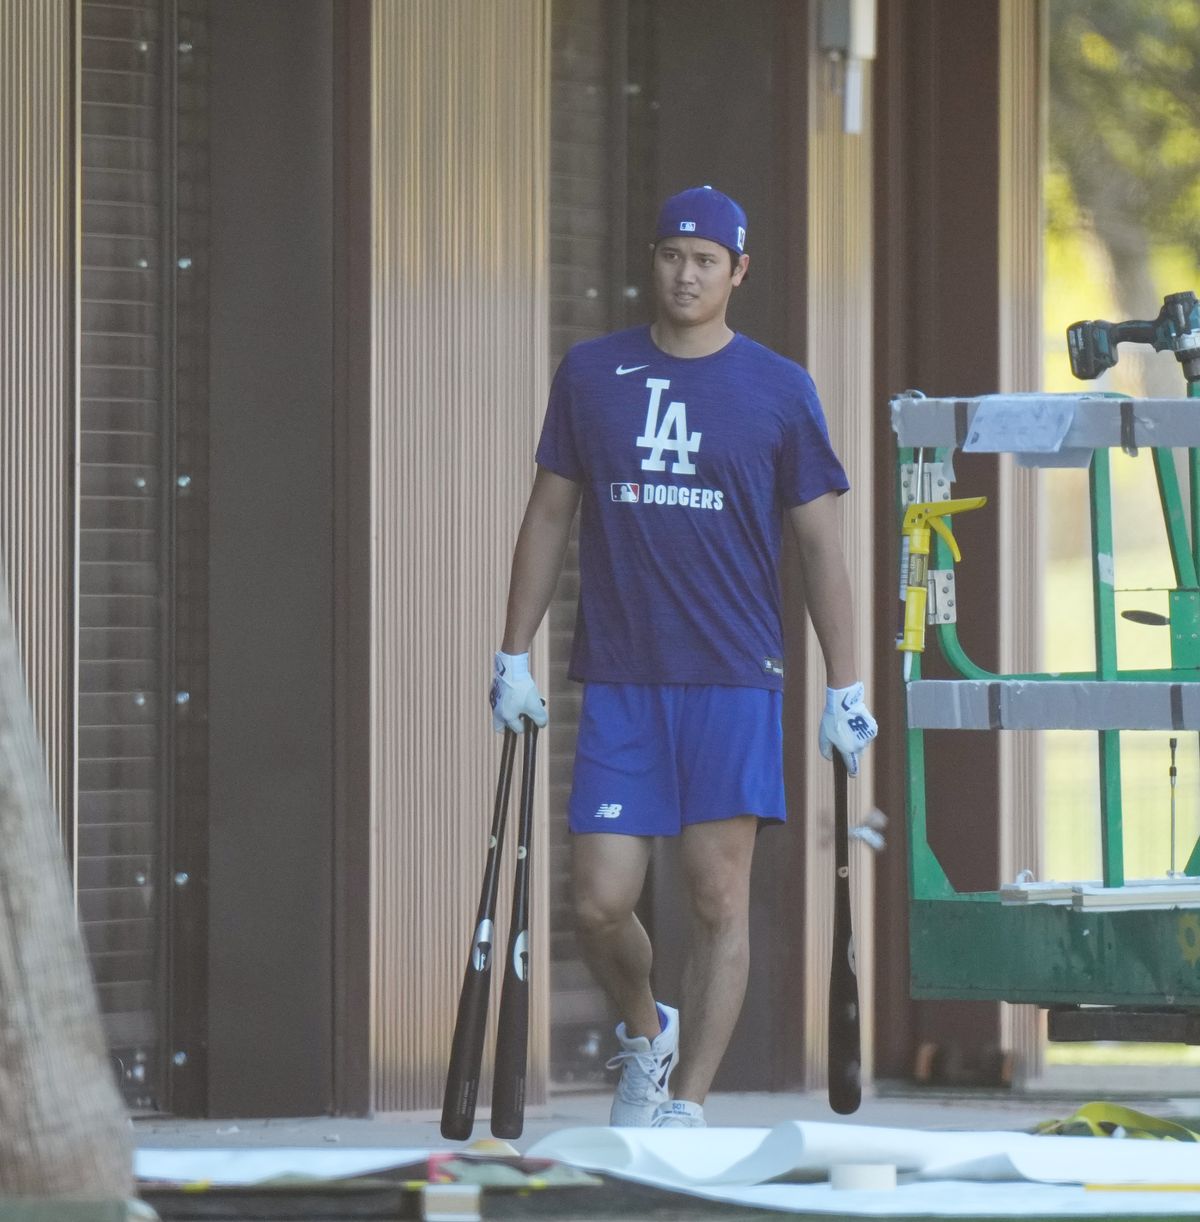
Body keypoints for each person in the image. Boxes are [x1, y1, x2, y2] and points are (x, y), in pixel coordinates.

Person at [489, 185, 877, 1129]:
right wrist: (512, 656)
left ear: (739, 272)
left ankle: (688, 1108)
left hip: (736, 680)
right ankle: (644, 1032)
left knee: (716, 899)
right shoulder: (591, 373)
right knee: (598, 902)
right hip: (622, 679)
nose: (687, 272)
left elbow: (823, 547)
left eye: (708, 258)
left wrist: (847, 683)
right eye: (672, 254)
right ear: (651, 262)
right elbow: (548, 515)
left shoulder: (781, 390)